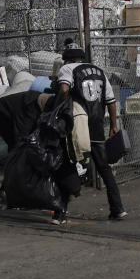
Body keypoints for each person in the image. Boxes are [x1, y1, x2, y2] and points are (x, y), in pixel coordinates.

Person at [57, 41, 128, 221]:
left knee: (68, 163)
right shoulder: (99, 71)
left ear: (67, 59)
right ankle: (117, 208)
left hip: (77, 124)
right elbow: (111, 101)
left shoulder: (67, 70)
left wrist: (58, 105)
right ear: (82, 57)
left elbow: (64, 90)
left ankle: (60, 213)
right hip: (96, 125)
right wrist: (113, 125)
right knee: (104, 167)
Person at [38, 71, 91, 225]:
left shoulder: (63, 104)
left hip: (63, 149)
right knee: (64, 177)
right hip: (73, 151)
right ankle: (61, 210)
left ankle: (60, 211)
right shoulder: (78, 105)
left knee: (60, 177)